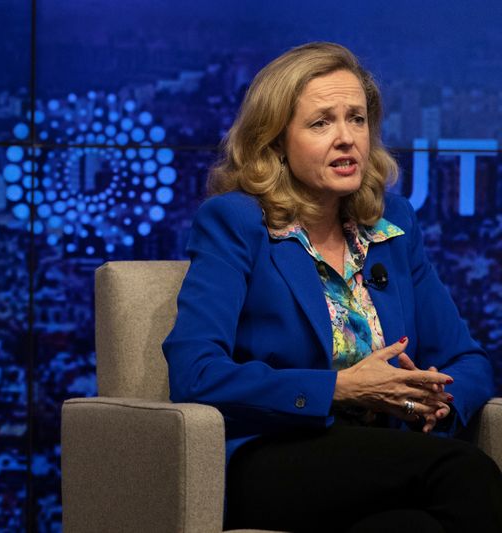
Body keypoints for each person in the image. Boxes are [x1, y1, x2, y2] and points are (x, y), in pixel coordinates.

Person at [162, 42, 502, 533]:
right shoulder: (236, 223)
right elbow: (195, 373)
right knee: (464, 473)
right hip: (274, 454)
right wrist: (340, 388)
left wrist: (436, 404)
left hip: (384, 454)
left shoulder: (391, 227)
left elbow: (468, 360)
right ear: (276, 141)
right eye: (321, 123)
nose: (346, 138)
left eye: (357, 119)